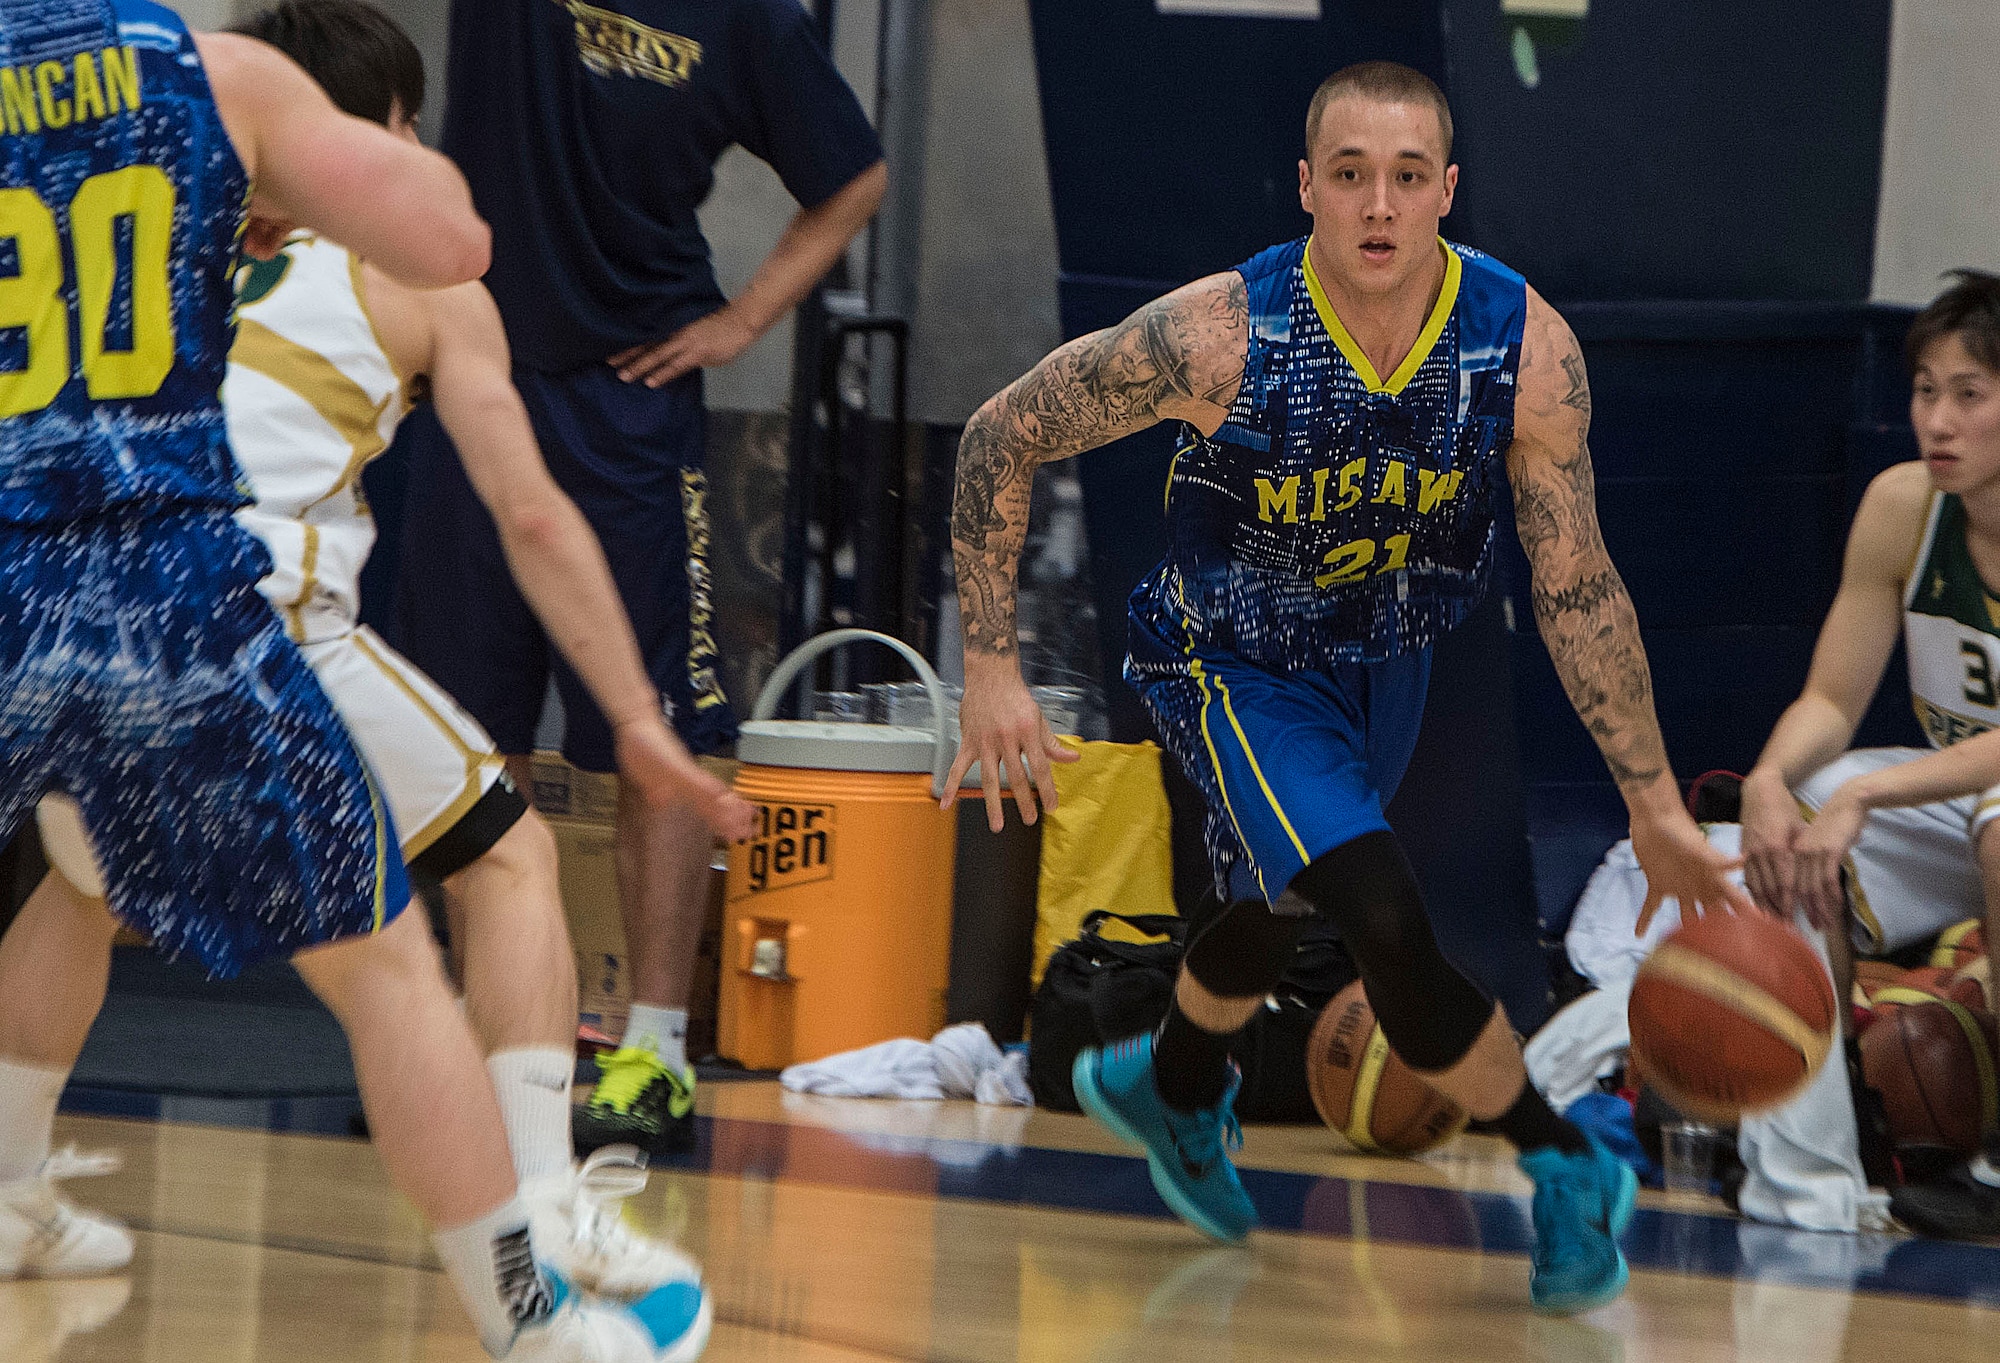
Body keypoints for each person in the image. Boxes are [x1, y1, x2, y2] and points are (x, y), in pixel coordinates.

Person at [944, 61, 1747, 1315]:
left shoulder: (1521, 353)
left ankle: (1172, 1081)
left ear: (1447, 195)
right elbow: (1001, 431)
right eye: (1353, 176)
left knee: (1280, 901)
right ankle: (1561, 1156)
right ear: (1308, 188)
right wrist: (988, 663)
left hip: (1388, 656)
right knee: (1377, 911)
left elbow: (1578, 586)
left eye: (1408, 176)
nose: (1379, 206)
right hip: (1229, 653)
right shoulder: (1220, 336)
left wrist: (1648, 799)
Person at [0, 5, 712, 1358]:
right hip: (185, 596)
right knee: (424, 933)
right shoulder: (214, 84)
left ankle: (10, 1183)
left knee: (82, 878)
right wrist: (630, 712)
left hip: (16, 583)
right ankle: (538, 1281)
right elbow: (457, 236)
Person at [392, 0, 887, 1156]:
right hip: (477, 376)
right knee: (467, 737)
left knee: (652, 735)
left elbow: (851, 176)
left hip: (632, 403)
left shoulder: (751, 23)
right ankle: (487, 1044)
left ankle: (653, 1049)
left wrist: (745, 317)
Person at [1738, 270, 2000, 1240]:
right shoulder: (1900, 507)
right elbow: (1828, 698)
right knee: (1796, 828)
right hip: (1965, 799)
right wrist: (1767, 783)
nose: (1935, 418)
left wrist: (1871, 793)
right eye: (1923, 390)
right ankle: (1810, 1167)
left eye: (1967, 393)